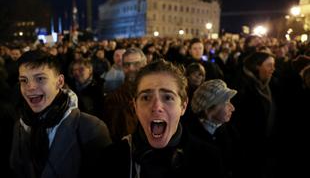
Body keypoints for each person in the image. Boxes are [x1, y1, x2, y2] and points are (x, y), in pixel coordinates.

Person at [101, 59, 224, 178]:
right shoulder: (111, 160)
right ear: (135, 106)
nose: (156, 107)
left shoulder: (208, 159)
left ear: (183, 106)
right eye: (146, 98)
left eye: (168, 98)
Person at [10, 50, 112, 178]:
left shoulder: (91, 128)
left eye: (40, 78)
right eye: (24, 80)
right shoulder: (19, 127)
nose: (30, 87)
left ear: (60, 82)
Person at [186, 79, 243, 178]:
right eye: (226, 103)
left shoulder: (231, 132)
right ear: (209, 110)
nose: (233, 108)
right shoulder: (190, 138)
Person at [102, 47, 147, 141]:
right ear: (122, 67)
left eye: (136, 64)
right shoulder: (114, 98)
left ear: (145, 64)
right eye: (127, 65)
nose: (131, 68)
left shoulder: (155, 91)